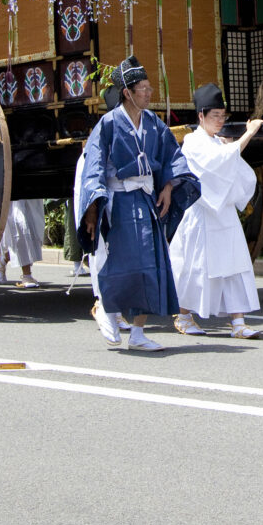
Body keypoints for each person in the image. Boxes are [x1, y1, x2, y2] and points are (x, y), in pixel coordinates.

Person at [74, 56, 201, 351]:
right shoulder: (107, 124)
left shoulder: (154, 123)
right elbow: (93, 169)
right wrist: (92, 209)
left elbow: (172, 156)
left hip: (146, 201)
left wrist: (169, 186)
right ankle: (106, 309)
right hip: (118, 202)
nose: (150, 92)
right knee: (122, 264)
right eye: (144, 87)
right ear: (128, 92)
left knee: (151, 266)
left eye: (149, 86)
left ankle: (138, 334)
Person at [172, 83, 263, 339]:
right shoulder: (192, 141)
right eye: (215, 116)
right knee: (196, 268)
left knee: (234, 263)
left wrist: (229, 145)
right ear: (200, 116)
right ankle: (183, 314)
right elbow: (219, 162)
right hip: (202, 214)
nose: (220, 121)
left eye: (222, 116)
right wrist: (247, 135)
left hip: (223, 211)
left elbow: (228, 162)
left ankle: (238, 322)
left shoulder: (215, 141)